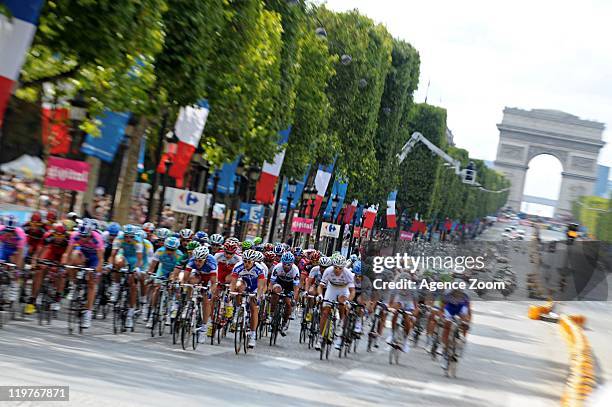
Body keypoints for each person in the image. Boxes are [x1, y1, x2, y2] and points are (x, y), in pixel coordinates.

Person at [61, 219, 104, 328]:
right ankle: (74, 283)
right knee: (74, 256)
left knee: (91, 282)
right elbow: (67, 253)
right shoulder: (75, 235)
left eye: (86, 237)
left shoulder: (97, 238)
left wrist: (97, 272)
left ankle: (88, 313)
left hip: (94, 258)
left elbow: (100, 259)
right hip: (83, 254)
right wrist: (65, 266)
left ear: (90, 233)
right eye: (82, 236)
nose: (83, 239)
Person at [315, 254, 355, 350]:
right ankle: (320, 338)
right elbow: (320, 286)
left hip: (343, 289)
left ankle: (341, 322)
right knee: (325, 312)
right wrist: (320, 295)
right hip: (332, 288)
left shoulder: (348, 273)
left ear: (343, 268)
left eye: (340, 268)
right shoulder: (328, 271)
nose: (337, 270)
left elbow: (352, 291)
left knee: (342, 303)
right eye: (335, 267)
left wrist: (348, 301)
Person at [230, 249, 265, 349]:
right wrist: (231, 293)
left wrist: (257, 297)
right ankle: (237, 310)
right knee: (238, 287)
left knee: (254, 308)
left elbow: (261, 286)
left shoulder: (259, 269)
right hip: (244, 283)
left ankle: (253, 334)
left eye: (249, 261)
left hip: (254, 286)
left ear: (254, 261)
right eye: (245, 261)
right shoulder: (238, 266)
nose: (246, 264)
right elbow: (233, 282)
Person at [440, 281, 471, 370]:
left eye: (459, 291)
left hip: (460, 310)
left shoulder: (465, 296)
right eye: (455, 291)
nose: (457, 293)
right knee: (447, 325)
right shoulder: (447, 294)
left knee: (464, 322)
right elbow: (443, 307)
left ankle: (461, 341)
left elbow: (467, 311)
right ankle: (445, 349)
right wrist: (442, 316)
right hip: (449, 310)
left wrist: (466, 322)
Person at [269, 251, 300, 335]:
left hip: (290, 285)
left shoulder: (295, 270)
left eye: (288, 264)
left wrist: (294, 299)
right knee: (275, 292)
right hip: (280, 282)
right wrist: (269, 291)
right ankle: (271, 315)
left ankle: (284, 323)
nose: (286, 266)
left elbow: (296, 288)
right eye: (284, 264)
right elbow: (271, 283)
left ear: (292, 264)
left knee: (288, 303)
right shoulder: (277, 267)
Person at [387, 269, 417, 353]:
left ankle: (405, 340)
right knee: (395, 314)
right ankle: (392, 335)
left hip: (409, 303)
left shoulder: (412, 288)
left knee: (407, 318)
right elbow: (391, 300)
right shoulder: (395, 286)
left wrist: (414, 313)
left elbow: (415, 305)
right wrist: (390, 307)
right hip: (399, 301)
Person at [0, 215, 27, 306]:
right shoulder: (0, 230)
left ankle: (13, 289)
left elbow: (20, 254)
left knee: (15, 271)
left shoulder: (21, 234)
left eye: (11, 231)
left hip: (16, 251)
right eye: (7, 230)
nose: (9, 233)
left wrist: (17, 268)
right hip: (4, 248)